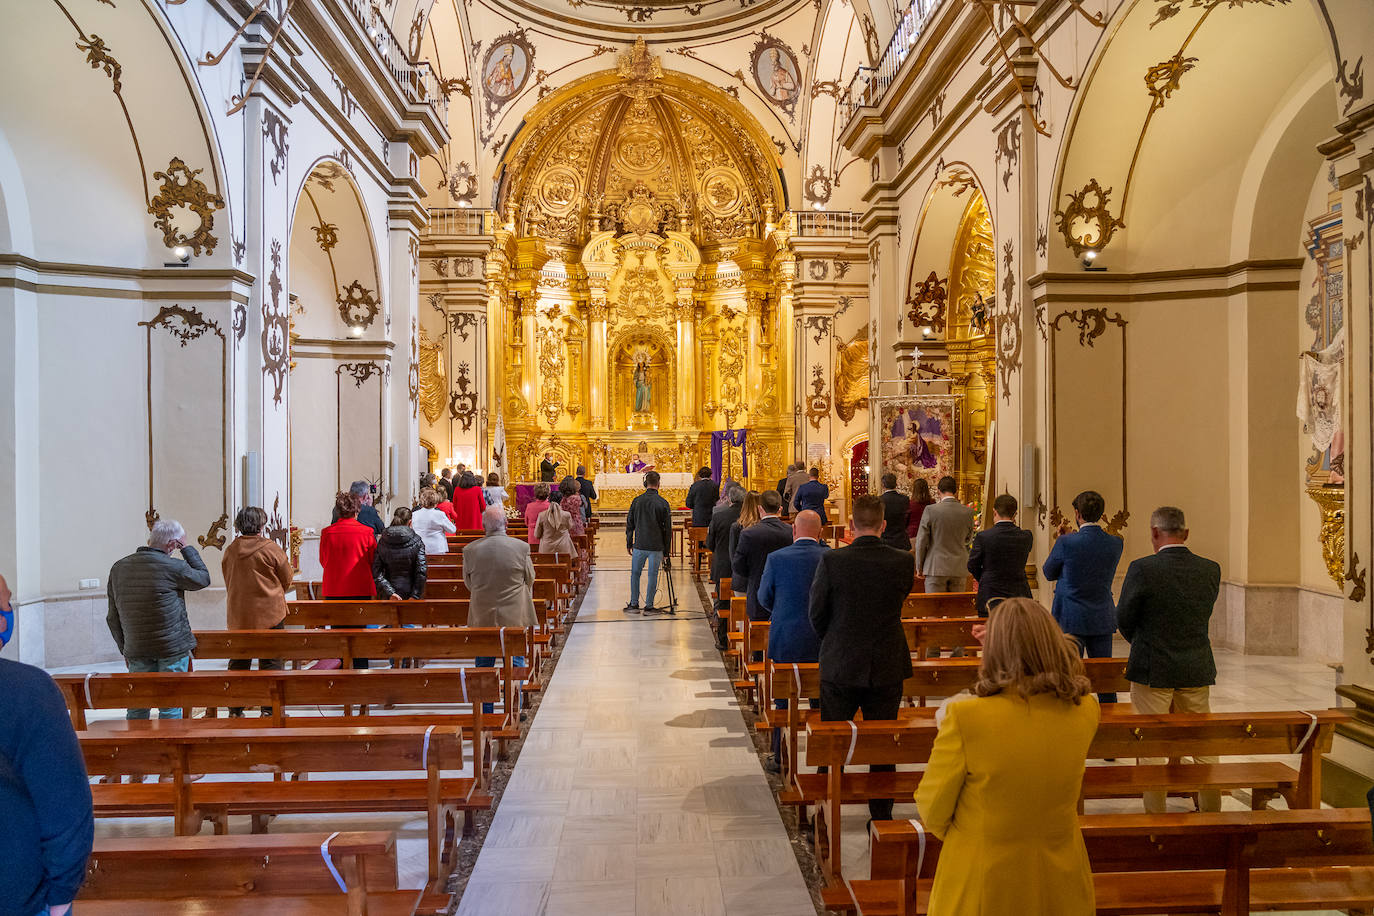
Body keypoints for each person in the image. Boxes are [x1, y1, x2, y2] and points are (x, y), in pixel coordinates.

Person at [915, 598, 1098, 916]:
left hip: (986, 877)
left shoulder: (966, 717)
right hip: (1062, 874)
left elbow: (933, 810)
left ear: (994, 650)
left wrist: (977, 835)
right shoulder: (1086, 711)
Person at [809, 494, 915, 821]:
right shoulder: (902, 561)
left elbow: (817, 612)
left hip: (841, 659)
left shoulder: (833, 560)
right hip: (886, 659)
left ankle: (828, 813)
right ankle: (881, 817)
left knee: (834, 741)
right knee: (883, 743)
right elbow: (900, 598)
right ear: (883, 525)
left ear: (852, 525)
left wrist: (835, 638)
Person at [1117, 506, 1222, 813]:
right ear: (1185, 533)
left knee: (1151, 744)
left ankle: (1155, 816)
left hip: (1153, 667)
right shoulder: (1210, 569)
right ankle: (1213, 812)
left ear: (1153, 532)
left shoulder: (1143, 568)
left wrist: (1143, 641)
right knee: (1203, 742)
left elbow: (1124, 616)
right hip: (1195, 665)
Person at [1, 631, 94, 916]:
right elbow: (66, 809)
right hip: (18, 897)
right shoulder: (27, 690)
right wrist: (61, 896)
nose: (6, 617)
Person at [106, 519, 211, 719]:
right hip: (171, 648)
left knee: (137, 705)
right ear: (173, 545)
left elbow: (113, 616)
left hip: (137, 647)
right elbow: (203, 578)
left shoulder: (119, 568)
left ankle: (138, 748)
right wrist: (187, 548)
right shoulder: (174, 567)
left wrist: (125, 648)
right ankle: (170, 748)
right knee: (170, 705)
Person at [756, 509, 828, 766]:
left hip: (786, 636)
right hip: (823, 638)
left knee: (784, 702)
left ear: (794, 531)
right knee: (822, 699)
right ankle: (823, 757)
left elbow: (763, 597)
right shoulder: (831, 557)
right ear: (820, 532)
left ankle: (780, 755)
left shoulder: (776, 558)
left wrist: (782, 609)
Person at [1042, 489, 1125, 704]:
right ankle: (1110, 719)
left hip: (1071, 616)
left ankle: (1072, 717)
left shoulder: (1066, 543)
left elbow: (1049, 572)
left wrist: (1062, 541)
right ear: (1101, 513)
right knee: (1104, 677)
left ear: (1077, 514)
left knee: (1069, 675)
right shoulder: (1115, 543)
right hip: (1101, 616)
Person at [221, 507, 293, 717]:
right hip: (270, 614)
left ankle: (235, 709)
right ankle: (270, 709)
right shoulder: (270, 548)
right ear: (262, 526)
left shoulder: (231, 550)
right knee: (271, 662)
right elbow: (287, 579)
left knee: (239, 663)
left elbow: (228, 577)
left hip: (240, 614)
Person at [465, 506, 537, 714]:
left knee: (484, 664)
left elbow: (468, 583)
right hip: (514, 612)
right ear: (506, 524)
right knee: (515, 661)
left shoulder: (470, 550)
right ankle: (514, 708)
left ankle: (486, 711)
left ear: (483, 526)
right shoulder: (521, 548)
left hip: (482, 614)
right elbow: (529, 578)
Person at [321, 491, 379, 669]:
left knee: (338, 632)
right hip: (360, 588)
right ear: (357, 511)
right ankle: (361, 668)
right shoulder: (366, 532)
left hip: (334, 588)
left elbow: (323, 560)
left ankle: (340, 667)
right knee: (360, 632)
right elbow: (372, 559)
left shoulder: (327, 532)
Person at [967, 494, 1034, 617]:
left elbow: (972, 565)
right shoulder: (1026, 536)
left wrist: (986, 577)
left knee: (990, 633)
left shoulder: (984, 537)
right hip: (1018, 594)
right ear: (1015, 514)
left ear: (994, 511)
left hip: (990, 594)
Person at [732, 489, 793, 622]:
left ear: (760, 508)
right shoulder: (790, 531)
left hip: (757, 591)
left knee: (756, 637)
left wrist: (754, 574)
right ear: (780, 509)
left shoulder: (749, 534)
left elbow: (738, 566)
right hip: (784, 594)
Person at [914, 476, 975, 592]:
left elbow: (921, 541)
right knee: (955, 608)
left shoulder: (931, 510)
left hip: (935, 567)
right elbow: (968, 539)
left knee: (934, 608)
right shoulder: (968, 512)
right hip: (959, 568)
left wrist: (919, 567)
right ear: (955, 491)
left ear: (938, 491)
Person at [625, 470, 672, 614]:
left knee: (635, 574)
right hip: (656, 546)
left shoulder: (637, 501)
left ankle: (634, 604)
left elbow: (630, 524)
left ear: (645, 483)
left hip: (639, 544)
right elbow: (667, 530)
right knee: (652, 575)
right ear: (659, 484)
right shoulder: (663, 503)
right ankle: (649, 606)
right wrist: (666, 551)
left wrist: (629, 543)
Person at [706, 485, 745, 649]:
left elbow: (710, 543)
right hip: (743, 567)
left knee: (722, 602)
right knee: (744, 601)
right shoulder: (749, 517)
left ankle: (723, 640)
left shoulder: (719, 516)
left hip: (722, 564)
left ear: (729, 498)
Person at [373, 506, 427, 601]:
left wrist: (390, 593)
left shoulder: (383, 540)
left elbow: (377, 572)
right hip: (410, 590)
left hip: (388, 594)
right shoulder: (417, 541)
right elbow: (421, 570)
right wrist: (415, 595)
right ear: (410, 522)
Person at [411, 487, 457, 555]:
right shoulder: (439, 514)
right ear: (435, 501)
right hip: (437, 548)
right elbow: (452, 530)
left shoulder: (415, 514)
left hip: (419, 548)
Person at [878, 472, 912, 550]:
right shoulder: (905, 499)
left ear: (883, 485)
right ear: (896, 484)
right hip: (901, 541)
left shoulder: (879, 500)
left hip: (885, 541)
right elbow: (907, 518)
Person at [906, 477, 936, 542]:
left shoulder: (910, 504)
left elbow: (905, 521)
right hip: (928, 535)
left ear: (914, 489)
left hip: (913, 535)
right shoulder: (932, 502)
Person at [524, 483, 552, 548]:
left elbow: (526, 522)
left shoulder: (530, 506)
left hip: (533, 537)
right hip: (547, 537)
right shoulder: (550, 506)